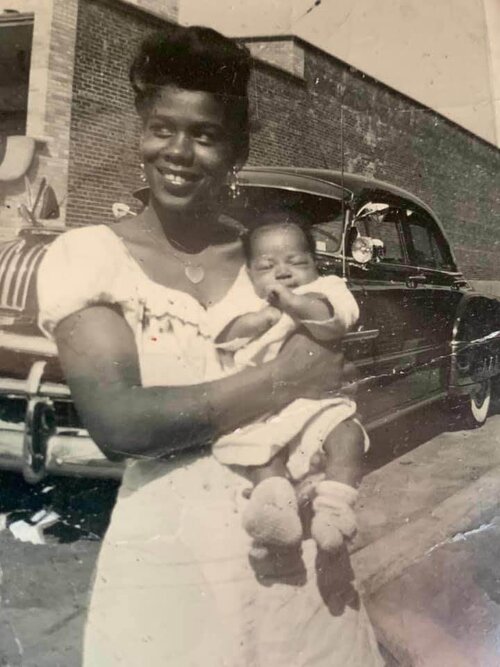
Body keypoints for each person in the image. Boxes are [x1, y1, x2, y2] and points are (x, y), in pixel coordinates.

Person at [37, 25, 383, 666]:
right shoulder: (91, 258)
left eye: (205, 134)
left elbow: (337, 373)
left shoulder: (269, 262)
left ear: (237, 149)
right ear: (139, 131)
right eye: (163, 128)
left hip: (294, 557)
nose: (179, 150)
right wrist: (289, 376)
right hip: (169, 568)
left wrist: (319, 377)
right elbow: (122, 423)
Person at [211, 214, 367, 555]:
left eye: (296, 262)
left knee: (348, 435)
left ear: (315, 264)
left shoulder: (325, 289)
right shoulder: (246, 303)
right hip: (261, 411)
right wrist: (254, 321)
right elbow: (222, 337)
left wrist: (295, 304)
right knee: (261, 456)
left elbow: (337, 318)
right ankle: (273, 514)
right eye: (267, 267)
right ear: (249, 274)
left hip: (317, 405)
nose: (282, 272)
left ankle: (333, 510)